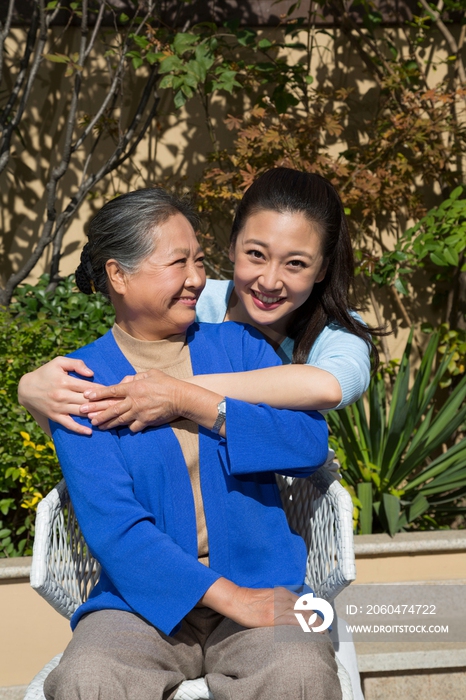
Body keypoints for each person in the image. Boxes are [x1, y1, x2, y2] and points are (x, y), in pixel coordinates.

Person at [19, 168, 375, 699]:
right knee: (88, 678)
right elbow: (115, 528)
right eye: (177, 263)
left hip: (263, 587)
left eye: (199, 261)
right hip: (141, 605)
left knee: (298, 672)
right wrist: (231, 598)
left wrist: (196, 402)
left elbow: (307, 445)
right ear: (118, 275)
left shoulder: (242, 346)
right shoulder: (81, 384)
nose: (195, 278)